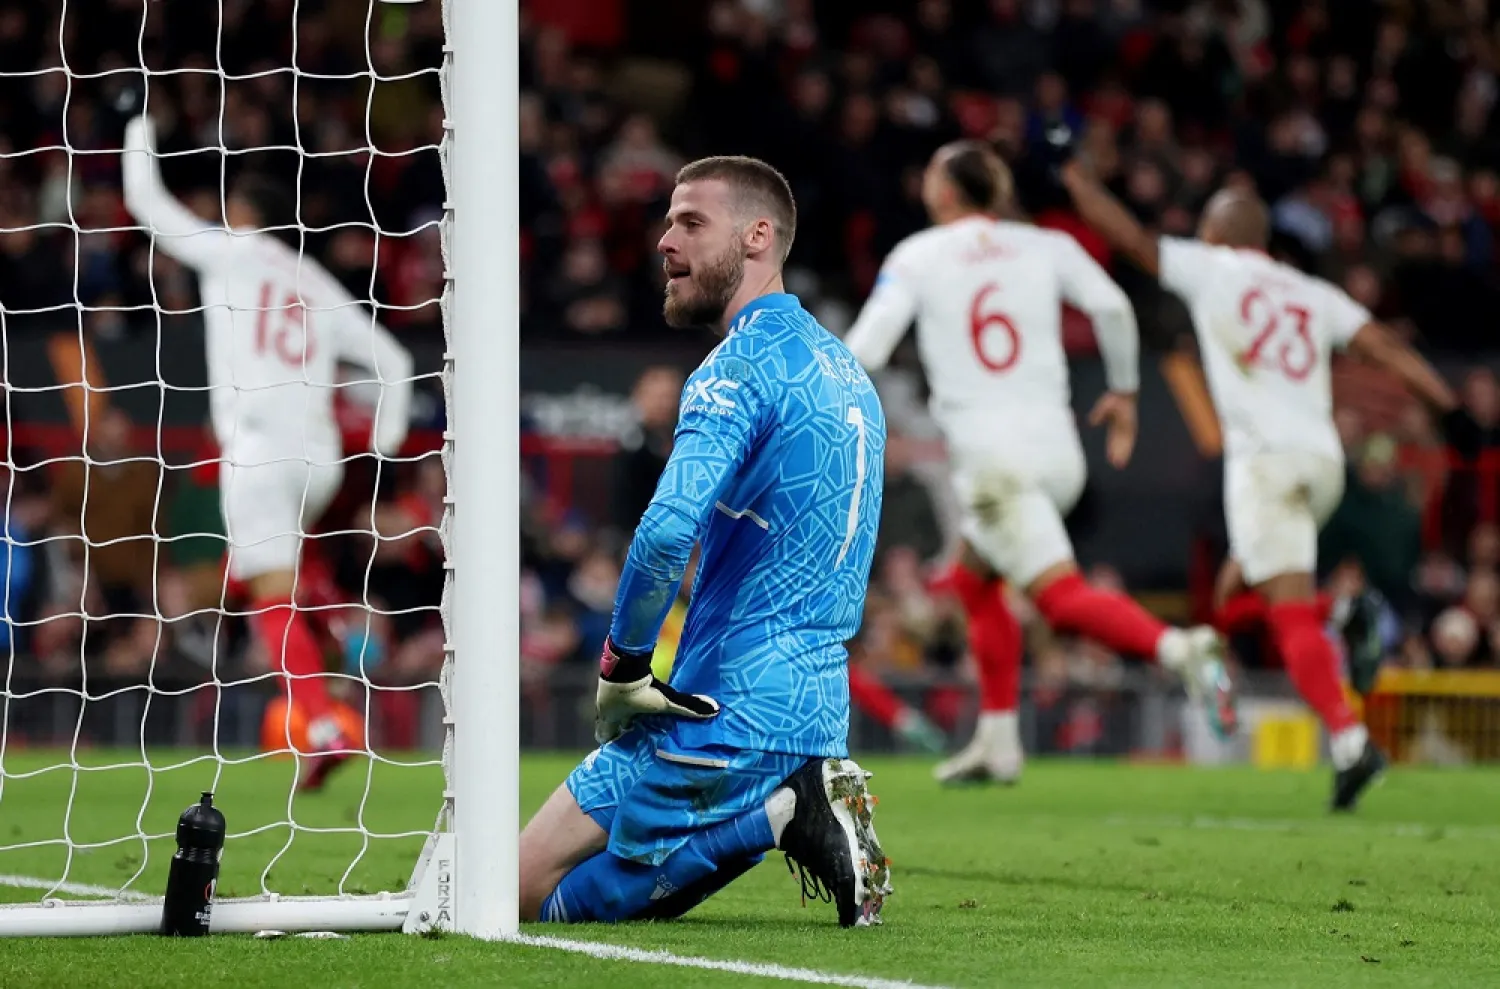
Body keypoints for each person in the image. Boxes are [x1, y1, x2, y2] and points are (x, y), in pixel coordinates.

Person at [518, 156, 892, 928]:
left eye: (691, 222)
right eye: (667, 221)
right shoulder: (846, 370)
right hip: (816, 700)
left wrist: (622, 665)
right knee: (528, 875)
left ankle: (784, 814)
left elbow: (662, 536)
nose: (665, 240)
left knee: (517, 897)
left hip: (724, 702)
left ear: (758, 236)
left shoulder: (737, 367)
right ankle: (791, 802)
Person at [1060, 156, 1475, 811]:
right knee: (1229, 597)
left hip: (1267, 463)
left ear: (1219, 232)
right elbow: (1386, 350)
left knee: (1286, 613)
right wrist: (1450, 410)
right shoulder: (1314, 292)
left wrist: (1075, 177)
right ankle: (1339, 619)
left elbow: (1132, 240)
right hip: (1323, 461)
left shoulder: (1213, 267)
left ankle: (1348, 735)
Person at [844, 141, 1234, 786]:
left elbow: (871, 344)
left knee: (1059, 599)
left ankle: (1182, 649)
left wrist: (825, 401)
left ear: (943, 192)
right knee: (974, 582)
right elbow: (1111, 306)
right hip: (1058, 451)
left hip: (993, 462)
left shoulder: (918, 255)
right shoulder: (1047, 245)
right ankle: (998, 742)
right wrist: (1126, 393)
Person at [122, 115, 414, 791]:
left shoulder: (231, 251)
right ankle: (331, 634)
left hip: (257, 445)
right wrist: (387, 438)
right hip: (322, 456)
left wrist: (137, 124)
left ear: (241, 212)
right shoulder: (314, 278)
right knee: (262, 574)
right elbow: (394, 363)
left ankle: (321, 723)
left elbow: (147, 204)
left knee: (270, 600)